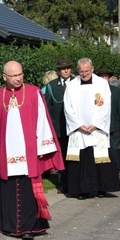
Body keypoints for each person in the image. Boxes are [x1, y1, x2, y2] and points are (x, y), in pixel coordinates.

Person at [0, 61, 63, 239]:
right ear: (5, 77)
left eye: (20, 74)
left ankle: (28, 227)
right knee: (9, 188)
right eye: (14, 75)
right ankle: (10, 226)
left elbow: (42, 120)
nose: (18, 78)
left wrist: (43, 145)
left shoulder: (33, 92)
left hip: (28, 150)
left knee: (27, 189)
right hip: (6, 152)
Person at [63, 58, 120, 198]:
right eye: (81, 71)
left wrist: (96, 124)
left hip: (97, 129)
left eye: (87, 71)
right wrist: (78, 125)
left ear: (92, 69)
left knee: (100, 158)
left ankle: (102, 188)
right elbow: (67, 107)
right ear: (78, 71)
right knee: (82, 160)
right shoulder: (71, 85)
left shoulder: (102, 84)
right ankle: (82, 190)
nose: (84, 74)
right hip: (79, 130)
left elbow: (106, 106)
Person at [44, 56, 74, 191]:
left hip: (76, 128)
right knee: (62, 156)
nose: (66, 71)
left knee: (75, 156)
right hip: (59, 127)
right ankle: (64, 183)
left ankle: (75, 182)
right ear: (58, 70)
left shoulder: (78, 82)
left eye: (68, 68)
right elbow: (47, 108)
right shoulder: (51, 86)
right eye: (63, 69)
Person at [96, 67, 120, 172]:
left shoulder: (115, 91)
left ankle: (116, 171)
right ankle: (103, 173)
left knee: (114, 150)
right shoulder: (95, 91)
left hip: (114, 125)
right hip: (99, 126)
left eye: (106, 76)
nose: (104, 78)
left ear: (109, 78)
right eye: (102, 76)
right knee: (101, 150)